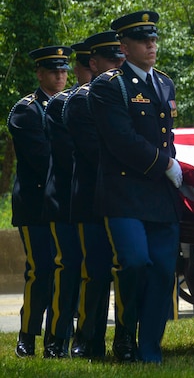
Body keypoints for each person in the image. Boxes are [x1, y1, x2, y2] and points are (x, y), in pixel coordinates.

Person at [89, 10, 183, 363]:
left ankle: (149, 348)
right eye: (143, 40)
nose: (151, 45)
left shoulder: (165, 83)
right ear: (124, 46)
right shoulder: (108, 86)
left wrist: (174, 165)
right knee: (134, 262)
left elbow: (166, 136)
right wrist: (165, 165)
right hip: (124, 195)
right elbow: (121, 140)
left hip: (160, 197)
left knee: (161, 270)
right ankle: (126, 331)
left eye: (154, 38)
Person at [64, 30, 126, 359]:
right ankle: (88, 338)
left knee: (130, 270)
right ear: (94, 63)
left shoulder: (131, 94)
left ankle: (126, 339)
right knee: (96, 272)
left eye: (121, 58)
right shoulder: (80, 100)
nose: (118, 64)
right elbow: (94, 152)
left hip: (126, 198)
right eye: (111, 59)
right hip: (92, 201)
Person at [8, 45, 72, 357]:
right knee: (40, 270)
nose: (60, 76)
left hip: (63, 204)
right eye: (53, 71)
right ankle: (28, 334)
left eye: (63, 70)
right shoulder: (26, 110)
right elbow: (43, 158)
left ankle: (56, 338)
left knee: (64, 269)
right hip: (35, 207)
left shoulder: (71, 104)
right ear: (40, 73)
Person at [41, 42, 91, 357]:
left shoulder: (111, 100)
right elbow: (68, 157)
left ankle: (86, 338)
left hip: (95, 202)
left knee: (91, 272)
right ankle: (56, 339)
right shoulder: (63, 104)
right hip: (65, 202)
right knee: (68, 268)